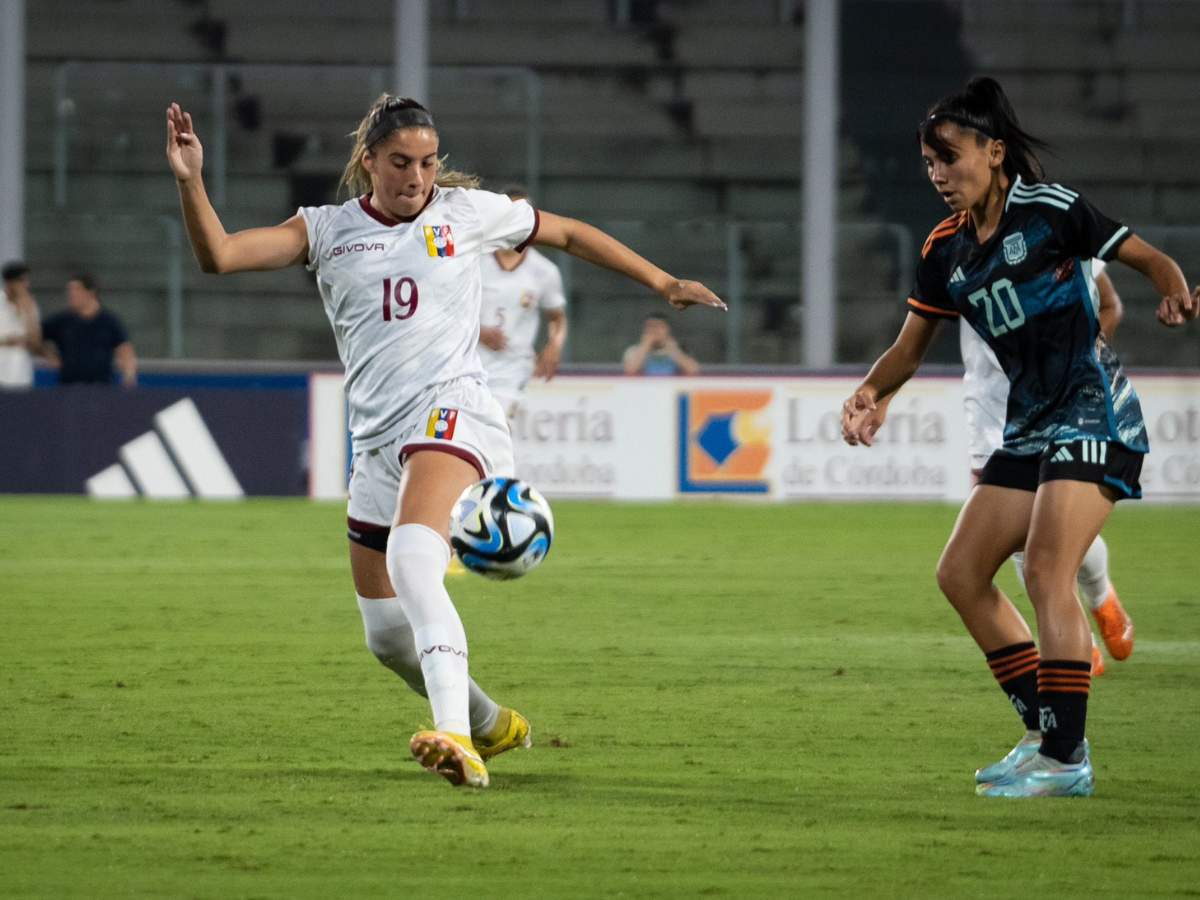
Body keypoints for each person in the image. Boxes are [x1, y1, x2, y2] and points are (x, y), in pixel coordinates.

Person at [166, 95, 724, 789]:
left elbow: (570, 234)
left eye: (428, 164)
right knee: (387, 637)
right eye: (400, 163)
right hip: (375, 440)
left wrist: (662, 281)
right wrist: (191, 180)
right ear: (368, 161)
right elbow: (219, 256)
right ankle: (492, 724)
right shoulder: (326, 229)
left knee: (412, 557)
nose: (416, 179)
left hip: (454, 410)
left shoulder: (467, 213)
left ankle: (455, 738)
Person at [841, 77, 1198, 798]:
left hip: (1095, 412)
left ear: (995, 151)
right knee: (961, 574)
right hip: (1031, 425)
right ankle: (1044, 731)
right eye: (929, 162)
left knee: (1044, 570)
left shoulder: (1051, 210)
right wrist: (870, 392)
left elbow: (1147, 259)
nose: (939, 174)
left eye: (951, 157)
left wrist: (1172, 287)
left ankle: (1067, 761)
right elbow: (910, 349)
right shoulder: (945, 249)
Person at [865, 263, 1135, 680]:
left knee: (1050, 531)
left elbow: (1111, 304)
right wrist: (882, 395)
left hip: (1057, 409)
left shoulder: (1050, 224)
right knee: (1017, 540)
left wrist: (1074, 369)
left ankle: (1097, 597)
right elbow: (912, 345)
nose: (948, 193)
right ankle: (1075, 636)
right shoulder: (952, 249)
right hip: (990, 416)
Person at [477, 185, 568, 419]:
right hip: (469, 367)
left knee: (496, 427)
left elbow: (557, 317)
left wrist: (554, 345)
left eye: (523, 214)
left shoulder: (544, 272)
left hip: (512, 372)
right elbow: (450, 311)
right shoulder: (474, 262)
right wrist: (479, 333)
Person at [37, 273, 137, 387]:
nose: (71, 295)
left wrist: (129, 376)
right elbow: (34, 338)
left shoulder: (109, 321)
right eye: (70, 291)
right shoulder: (61, 320)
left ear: (90, 292)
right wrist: (51, 358)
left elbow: (124, 350)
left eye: (76, 290)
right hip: (68, 388)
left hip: (101, 388)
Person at [0, 261, 40, 389]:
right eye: (21, 281)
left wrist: (28, 313)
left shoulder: (30, 305)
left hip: (22, 378)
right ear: (8, 283)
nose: (25, 285)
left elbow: (35, 344)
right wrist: (6, 340)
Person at [622, 313, 700, 376]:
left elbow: (693, 370)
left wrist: (674, 351)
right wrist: (644, 347)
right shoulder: (634, 350)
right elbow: (630, 372)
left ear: (668, 329)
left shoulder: (679, 350)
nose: (654, 330)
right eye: (650, 326)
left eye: (659, 327)